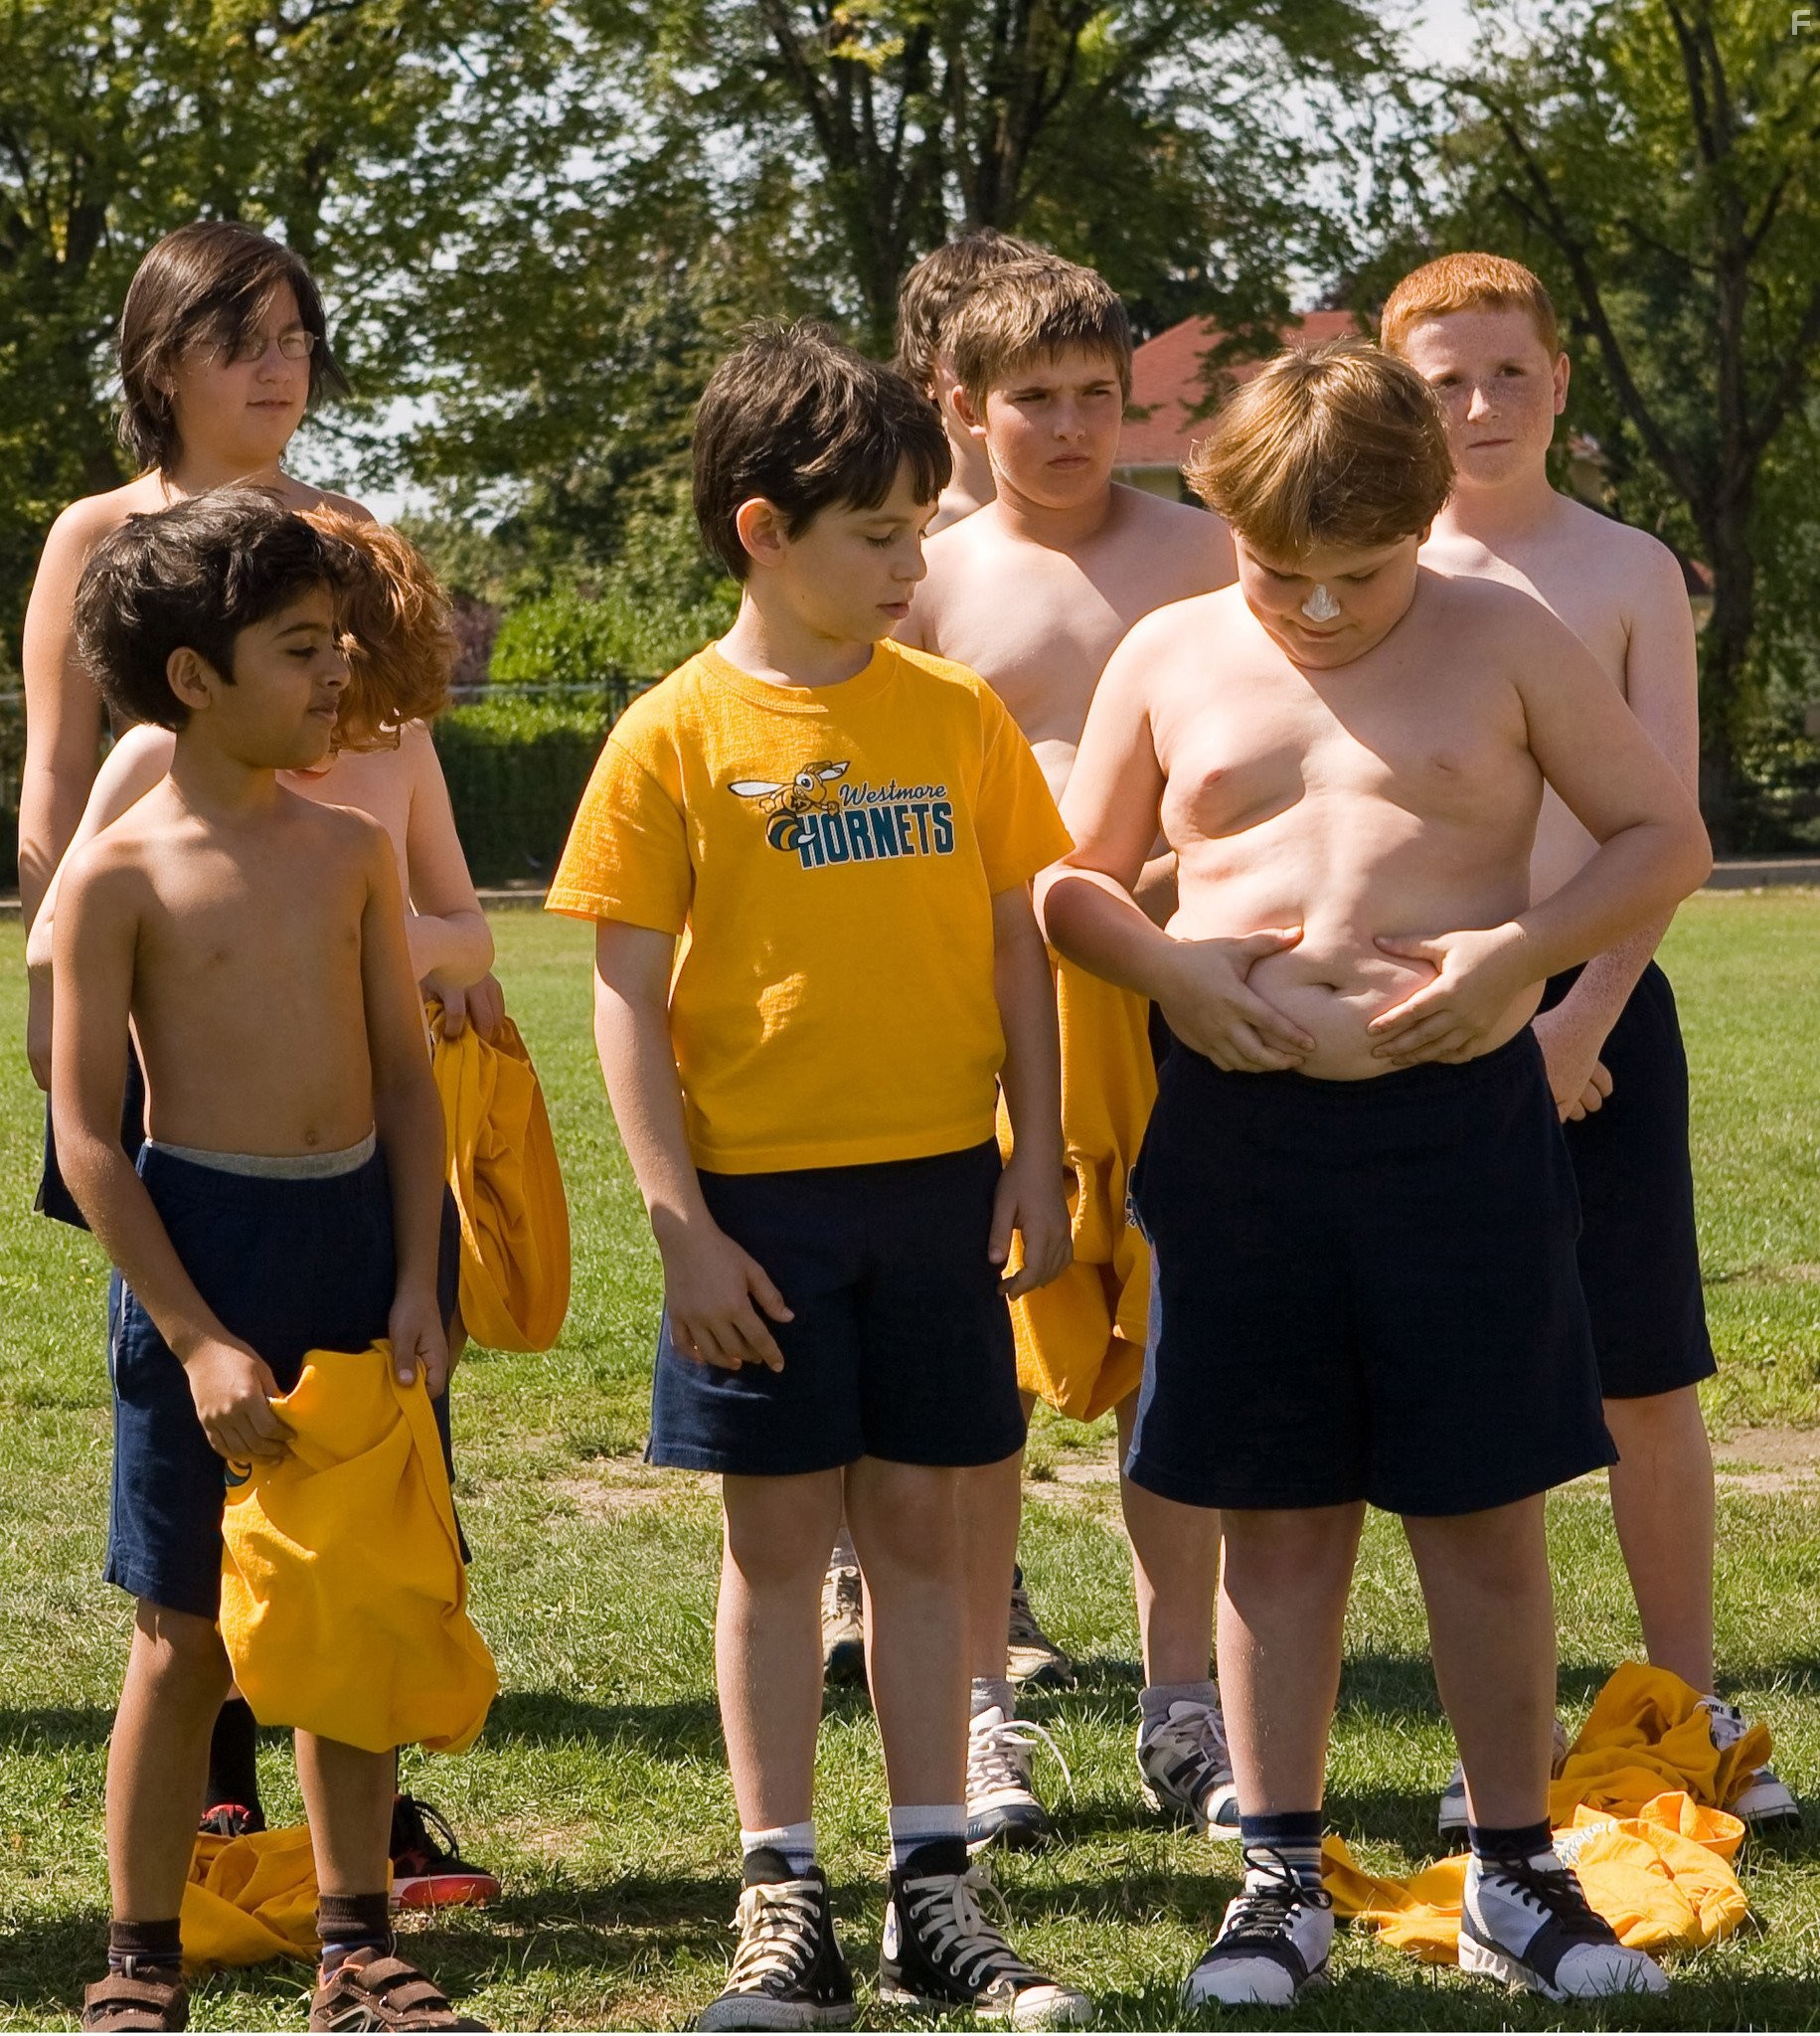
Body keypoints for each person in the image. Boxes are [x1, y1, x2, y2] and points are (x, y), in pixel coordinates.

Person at [1039, 337, 1711, 2007]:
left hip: (1457, 1137)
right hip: (1240, 1145)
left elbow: (1662, 837)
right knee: (1274, 1515)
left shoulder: (1505, 636)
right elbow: (1071, 883)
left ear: (1424, 522)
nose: (1322, 609)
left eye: (1362, 572)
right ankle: (1279, 1877)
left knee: (1481, 1513)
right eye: (1284, 574)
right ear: (1225, 520)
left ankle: (1513, 1873)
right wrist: (1170, 969)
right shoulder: (1170, 650)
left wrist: (1517, 959)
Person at [547, 321, 1091, 2032]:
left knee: (925, 1536)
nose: (913, 568)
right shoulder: (669, 734)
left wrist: (1035, 1151)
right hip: (757, 1218)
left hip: (938, 1192)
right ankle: (780, 1897)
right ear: (762, 531)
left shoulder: (956, 715)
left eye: (922, 529)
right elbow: (621, 996)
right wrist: (681, 1230)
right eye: (879, 535)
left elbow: (1016, 947)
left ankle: (934, 1894)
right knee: (778, 1548)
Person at [52, 491, 485, 2033]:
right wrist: (195, 1339)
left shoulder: (354, 851)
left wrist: (419, 1279)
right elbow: (88, 1142)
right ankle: (138, 1961)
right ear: (192, 678)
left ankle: (355, 1948)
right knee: (184, 1635)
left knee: (349, 1606)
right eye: (300, 648)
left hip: (355, 1251)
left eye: (335, 642)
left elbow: (405, 1087)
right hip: (202, 1256)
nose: (336, 672)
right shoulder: (115, 879)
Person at [1379, 250, 1797, 1835]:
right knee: (1465, 1391)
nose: (1478, 406)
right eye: (1442, 381)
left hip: (1600, 1017)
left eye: (1507, 373)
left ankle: (1676, 1705)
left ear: (1557, 381)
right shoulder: (1365, 565)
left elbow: (1661, 824)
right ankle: (1498, 1734)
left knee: (1641, 1377)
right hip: (1427, 1024)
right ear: (1397, 392)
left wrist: (1577, 1020)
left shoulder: (1625, 571)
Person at [898, 255, 1239, 1851]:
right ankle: (979, 1710)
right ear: (964, 406)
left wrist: (1162, 885)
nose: (1066, 425)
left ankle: (1186, 1705)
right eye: (1030, 397)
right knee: (985, 1364)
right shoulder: (922, 575)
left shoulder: (1204, 551)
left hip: (1181, 999)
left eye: (1095, 394)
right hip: (987, 1013)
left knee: (1180, 1357)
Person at [818, 224, 1052, 1687]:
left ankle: (988, 1594)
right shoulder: (888, 561)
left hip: (1062, 954)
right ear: (938, 374)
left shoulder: (1074, 535)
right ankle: (870, 1579)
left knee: (987, 1297)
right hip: (905, 973)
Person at [893, 228, 1050, 532]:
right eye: (968, 345)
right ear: (925, 368)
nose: (992, 366)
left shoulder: (1101, 520)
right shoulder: (897, 529)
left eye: (1016, 344)